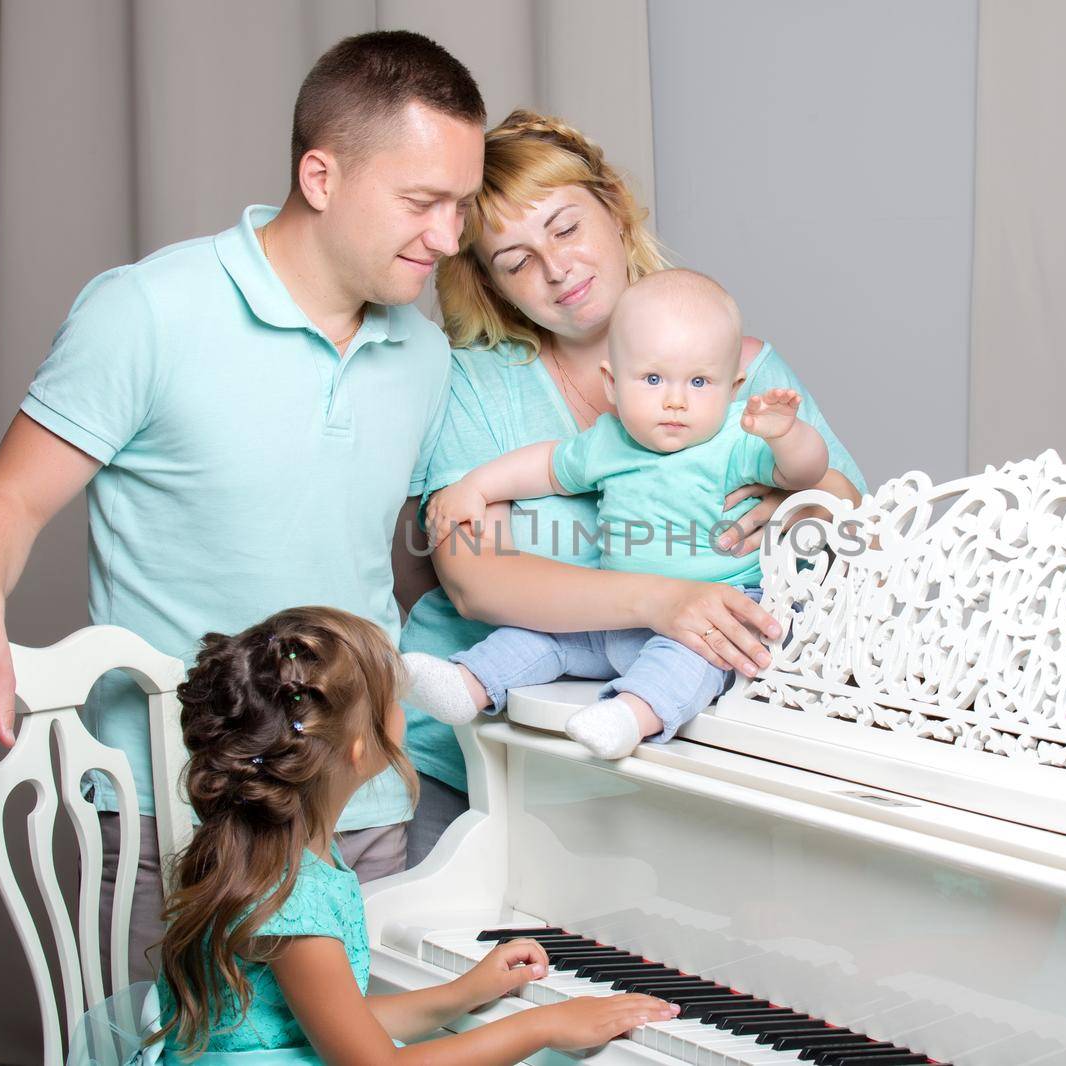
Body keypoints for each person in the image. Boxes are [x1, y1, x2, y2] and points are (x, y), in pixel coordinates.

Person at [0, 31, 485, 980]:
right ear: (321, 176)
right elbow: (2, 504)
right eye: (422, 203)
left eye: (461, 205)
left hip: (361, 806)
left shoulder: (423, 355)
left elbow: (409, 563)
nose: (449, 238)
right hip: (173, 811)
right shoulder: (146, 312)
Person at [397, 111, 868, 866]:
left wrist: (800, 499)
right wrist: (659, 598)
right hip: (474, 761)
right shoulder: (478, 385)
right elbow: (476, 581)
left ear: (614, 210)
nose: (555, 268)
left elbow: (859, 530)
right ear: (490, 284)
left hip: (676, 759)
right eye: (515, 259)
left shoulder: (739, 367)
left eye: (565, 227)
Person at [118, 606, 676, 1063]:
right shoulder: (293, 902)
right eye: (393, 700)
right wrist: (543, 1026)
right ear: (362, 750)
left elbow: (332, 1023)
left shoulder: (282, 849)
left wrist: (463, 994)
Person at [406, 269, 829, 759]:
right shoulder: (609, 442)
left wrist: (785, 435)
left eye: (699, 381)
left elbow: (805, 473)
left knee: (694, 660)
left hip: (718, 609)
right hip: (615, 610)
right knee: (538, 635)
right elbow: (544, 467)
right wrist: (474, 487)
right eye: (652, 379)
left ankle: (631, 713)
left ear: (732, 388)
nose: (675, 400)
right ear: (613, 383)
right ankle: (469, 683)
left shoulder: (736, 439)